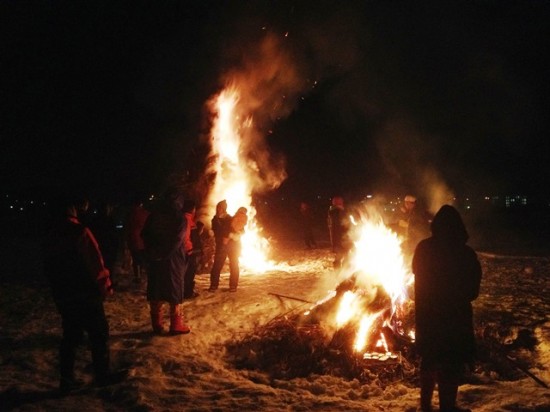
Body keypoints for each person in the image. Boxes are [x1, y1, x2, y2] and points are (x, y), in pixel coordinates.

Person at [43, 192, 127, 393]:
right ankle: (102, 375)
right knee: (98, 333)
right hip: (86, 293)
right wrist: (105, 286)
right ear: (71, 208)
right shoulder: (79, 231)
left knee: (70, 336)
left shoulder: (50, 234)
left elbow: (48, 266)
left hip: (63, 293)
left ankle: (67, 379)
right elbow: (95, 262)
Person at [412, 205, 482, 412]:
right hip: (455, 319)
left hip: (428, 316)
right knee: (450, 364)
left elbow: (416, 273)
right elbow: (472, 292)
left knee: (430, 359)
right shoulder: (466, 254)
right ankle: (447, 407)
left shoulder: (423, 248)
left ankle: (425, 406)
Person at [141, 188, 190, 335]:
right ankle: (176, 325)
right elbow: (177, 240)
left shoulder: (153, 216)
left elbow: (144, 234)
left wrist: (152, 252)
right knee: (174, 290)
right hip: (172, 259)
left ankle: (157, 324)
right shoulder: (180, 218)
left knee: (156, 289)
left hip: (155, 259)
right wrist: (164, 254)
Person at [126, 193, 150, 283]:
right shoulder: (146, 214)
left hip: (134, 241)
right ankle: (149, 275)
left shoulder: (130, 214)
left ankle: (138, 277)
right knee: (145, 259)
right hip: (144, 241)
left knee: (136, 260)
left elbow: (127, 228)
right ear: (141, 204)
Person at [208, 200, 232, 292]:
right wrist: (212, 232)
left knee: (233, 265)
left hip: (228, 245)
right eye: (218, 207)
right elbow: (214, 229)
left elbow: (231, 230)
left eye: (220, 207)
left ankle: (232, 286)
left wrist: (227, 237)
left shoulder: (229, 218)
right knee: (216, 265)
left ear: (224, 208)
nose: (218, 209)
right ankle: (213, 285)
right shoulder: (214, 219)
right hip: (219, 244)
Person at [227, 206, 248, 292]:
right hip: (235, 243)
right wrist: (239, 233)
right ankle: (233, 286)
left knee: (233, 264)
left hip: (231, 242)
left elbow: (231, 227)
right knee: (234, 264)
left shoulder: (235, 217)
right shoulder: (242, 219)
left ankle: (232, 286)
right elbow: (242, 230)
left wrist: (231, 234)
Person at [327, 196, 351, 269]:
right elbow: (342, 226)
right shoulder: (336, 213)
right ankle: (341, 274)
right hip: (340, 239)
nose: (342, 203)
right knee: (344, 255)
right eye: (341, 202)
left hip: (338, 239)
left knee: (341, 256)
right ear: (338, 203)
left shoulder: (333, 212)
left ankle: (339, 274)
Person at [182, 199, 199, 299]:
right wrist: (190, 249)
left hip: (188, 250)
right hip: (188, 251)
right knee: (189, 272)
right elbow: (185, 237)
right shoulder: (186, 220)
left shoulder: (188, 219)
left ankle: (186, 291)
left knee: (188, 272)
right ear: (192, 209)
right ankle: (187, 292)